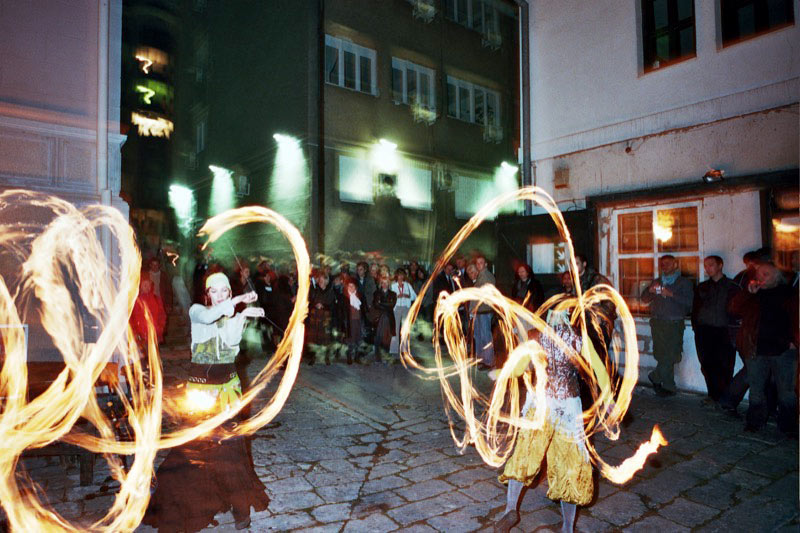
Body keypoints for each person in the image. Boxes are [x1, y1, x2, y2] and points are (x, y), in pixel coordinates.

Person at [144, 272, 268, 532]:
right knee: (194, 448)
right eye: (215, 291)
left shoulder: (230, 316)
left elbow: (231, 344)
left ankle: (240, 507)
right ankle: (180, 502)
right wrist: (240, 301)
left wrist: (243, 316)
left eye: (225, 291)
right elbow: (210, 317)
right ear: (207, 294)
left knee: (231, 448)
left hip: (228, 392)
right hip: (201, 393)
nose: (220, 295)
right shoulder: (197, 311)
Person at [495, 309, 592, 533]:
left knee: (524, 454)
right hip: (568, 408)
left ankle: (510, 509)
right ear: (568, 315)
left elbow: (518, 370)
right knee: (569, 466)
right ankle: (567, 527)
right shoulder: (580, 338)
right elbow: (596, 371)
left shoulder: (535, 337)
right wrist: (609, 401)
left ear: (548, 316)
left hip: (541, 404)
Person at [728, 263, 798, 435]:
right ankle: (755, 421)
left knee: (786, 391)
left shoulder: (790, 294)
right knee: (756, 389)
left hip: (784, 351)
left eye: (765, 274)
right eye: (758, 274)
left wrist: (795, 342)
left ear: (777, 277)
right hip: (756, 349)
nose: (760, 277)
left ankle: (788, 426)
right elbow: (733, 309)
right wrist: (747, 293)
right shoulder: (753, 293)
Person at [641, 255, 693, 397]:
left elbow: (690, 302)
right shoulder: (657, 281)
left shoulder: (684, 283)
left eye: (668, 263)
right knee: (661, 355)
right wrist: (649, 290)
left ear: (675, 265)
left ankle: (655, 376)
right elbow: (644, 299)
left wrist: (670, 294)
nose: (664, 266)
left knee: (673, 355)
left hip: (674, 323)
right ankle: (669, 386)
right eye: (662, 264)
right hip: (658, 323)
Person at [691, 256, 737, 405]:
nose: (707, 268)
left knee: (725, 366)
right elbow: (695, 309)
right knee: (707, 364)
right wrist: (697, 328)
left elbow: (738, 310)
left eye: (711, 265)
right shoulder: (702, 287)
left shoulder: (732, 286)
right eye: (705, 266)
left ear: (720, 265)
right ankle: (712, 396)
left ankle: (725, 398)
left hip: (724, 332)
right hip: (704, 332)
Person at [129, 277, 167, 350]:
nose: (147, 287)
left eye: (149, 285)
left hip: (154, 333)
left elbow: (162, 314)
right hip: (141, 335)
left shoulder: (156, 299)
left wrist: (161, 327)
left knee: (153, 353)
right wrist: (135, 332)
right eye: (145, 285)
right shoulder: (135, 301)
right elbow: (131, 318)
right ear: (140, 286)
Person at [306, 273, 335, 365]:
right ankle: (313, 357)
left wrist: (323, 305)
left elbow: (332, 305)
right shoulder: (315, 290)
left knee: (326, 338)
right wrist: (315, 304)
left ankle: (327, 357)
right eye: (319, 280)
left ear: (326, 281)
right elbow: (310, 301)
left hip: (325, 317)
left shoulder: (330, 291)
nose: (320, 282)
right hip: (315, 316)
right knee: (314, 337)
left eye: (322, 280)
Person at [473, 255, 496, 370]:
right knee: (479, 335)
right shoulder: (480, 276)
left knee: (485, 336)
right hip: (480, 310)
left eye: (481, 262)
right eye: (477, 263)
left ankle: (488, 361)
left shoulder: (487, 276)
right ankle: (482, 359)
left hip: (484, 310)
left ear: (485, 264)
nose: (479, 265)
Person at [389, 268, 417, 359]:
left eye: (402, 275)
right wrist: (397, 296)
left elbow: (414, 296)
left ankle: (405, 349)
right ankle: (394, 350)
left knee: (405, 329)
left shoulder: (408, 285)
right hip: (396, 308)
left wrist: (407, 296)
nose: (400, 277)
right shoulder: (393, 285)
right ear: (396, 276)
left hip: (405, 307)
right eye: (399, 275)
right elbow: (390, 298)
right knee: (395, 329)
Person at [371, 276, 397, 363]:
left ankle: (386, 355)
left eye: (386, 282)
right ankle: (377, 357)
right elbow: (375, 305)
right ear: (380, 284)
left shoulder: (393, 294)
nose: (384, 284)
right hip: (379, 318)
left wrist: (381, 303)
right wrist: (386, 304)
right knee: (378, 337)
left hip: (389, 318)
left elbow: (392, 305)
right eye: (382, 282)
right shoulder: (376, 293)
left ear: (388, 283)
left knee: (387, 337)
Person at [342, 280, 365, 364]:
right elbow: (342, 311)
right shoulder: (344, 297)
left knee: (358, 338)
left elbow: (364, 308)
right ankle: (349, 356)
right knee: (350, 339)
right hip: (349, 321)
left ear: (356, 287)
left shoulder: (360, 296)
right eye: (349, 286)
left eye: (353, 286)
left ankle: (357, 356)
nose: (351, 288)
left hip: (359, 320)